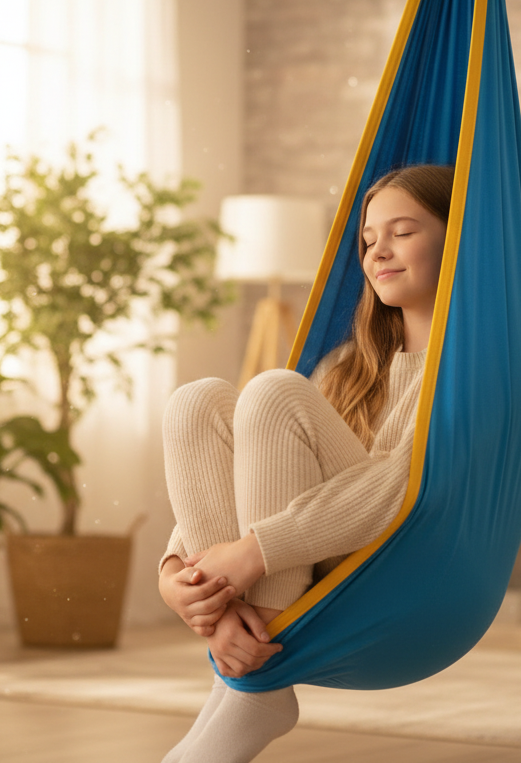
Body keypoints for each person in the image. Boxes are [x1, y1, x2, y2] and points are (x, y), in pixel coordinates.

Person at [156, 164, 454, 763]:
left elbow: (405, 487)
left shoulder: (469, 370)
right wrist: (175, 575)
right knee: (196, 401)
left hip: (389, 561)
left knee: (274, 390)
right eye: (368, 239)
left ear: (458, 241)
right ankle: (243, 661)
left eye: (402, 232)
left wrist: (252, 552)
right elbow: (249, 477)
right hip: (301, 557)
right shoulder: (348, 366)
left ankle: (256, 679)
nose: (378, 251)